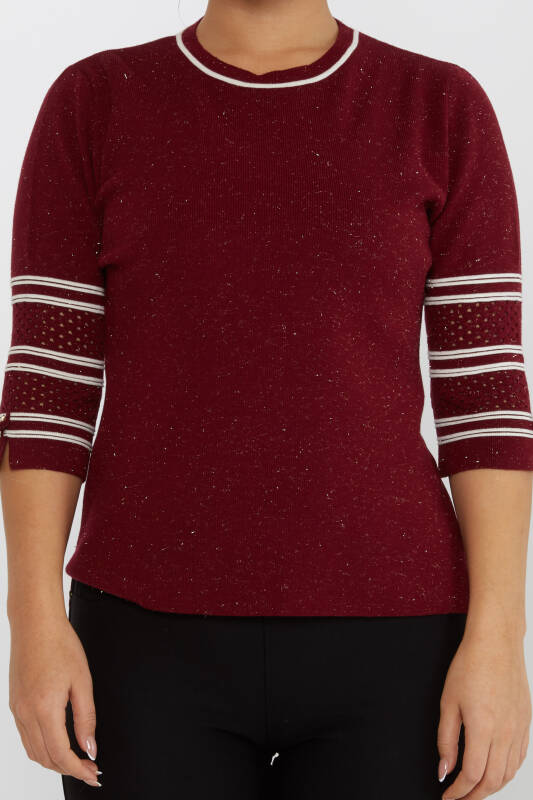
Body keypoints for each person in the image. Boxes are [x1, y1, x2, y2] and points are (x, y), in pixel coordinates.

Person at [1, 0, 532, 797]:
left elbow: (483, 397)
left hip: (397, 639)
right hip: (142, 636)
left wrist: (498, 641)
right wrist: (33, 621)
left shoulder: (439, 105)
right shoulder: (95, 100)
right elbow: (48, 387)